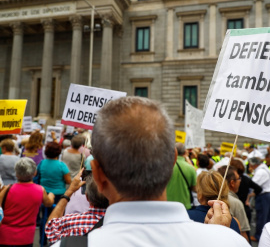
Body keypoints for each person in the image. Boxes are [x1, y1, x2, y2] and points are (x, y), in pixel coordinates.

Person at [51, 96, 249, 247]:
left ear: (98, 176)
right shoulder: (230, 241)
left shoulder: (65, 245)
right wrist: (221, 238)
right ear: (172, 161)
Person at [0, 157, 54, 246]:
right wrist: (51, 195)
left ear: (16, 174)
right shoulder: (40, 190)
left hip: (5, 236)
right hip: (26, 237)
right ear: (35, 173)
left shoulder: (7, 189)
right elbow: (48, 203)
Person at [45, 169, 108, 244]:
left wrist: (69, 192)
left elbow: (50, 228)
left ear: (87, 197)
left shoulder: (70, 222)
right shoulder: (121, 226)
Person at [218, 165, 250, 241]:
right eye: (238, 178)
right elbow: (243, 233)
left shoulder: (211, 198)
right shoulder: (236, 203)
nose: (240, 180)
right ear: (232, 183)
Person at [166, 142, 197, 209]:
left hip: (167, 204)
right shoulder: (190, 168)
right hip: (184, 205)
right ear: (185, 152)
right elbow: (195, 188)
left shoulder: (165, 166)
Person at [248, 155, 270, 242]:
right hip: (266, 195)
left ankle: (258, 236)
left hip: (263, 196)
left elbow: (253, 184)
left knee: (261, 216)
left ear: (253, 164)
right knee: (266, 216)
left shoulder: (260, 171)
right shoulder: (263, 169)